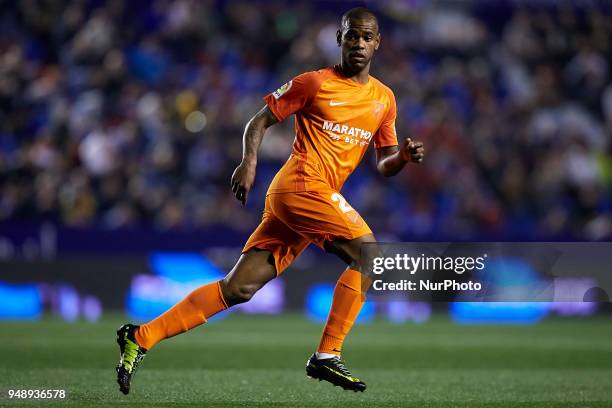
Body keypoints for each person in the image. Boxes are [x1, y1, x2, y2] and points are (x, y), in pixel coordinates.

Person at [115, 7, 425, 394]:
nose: (358, 43)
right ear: (339, 39)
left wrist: (405, 158)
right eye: (351, 36)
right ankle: (327, 354)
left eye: (366, 37)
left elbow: (385, 164)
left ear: (377, 43)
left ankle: (141, 336)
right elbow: (258, 120)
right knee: (368, 255)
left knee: (238, 288)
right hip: (299, 185)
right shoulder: (313, 83)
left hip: (307, 199)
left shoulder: (384, 99)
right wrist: (248, 162)